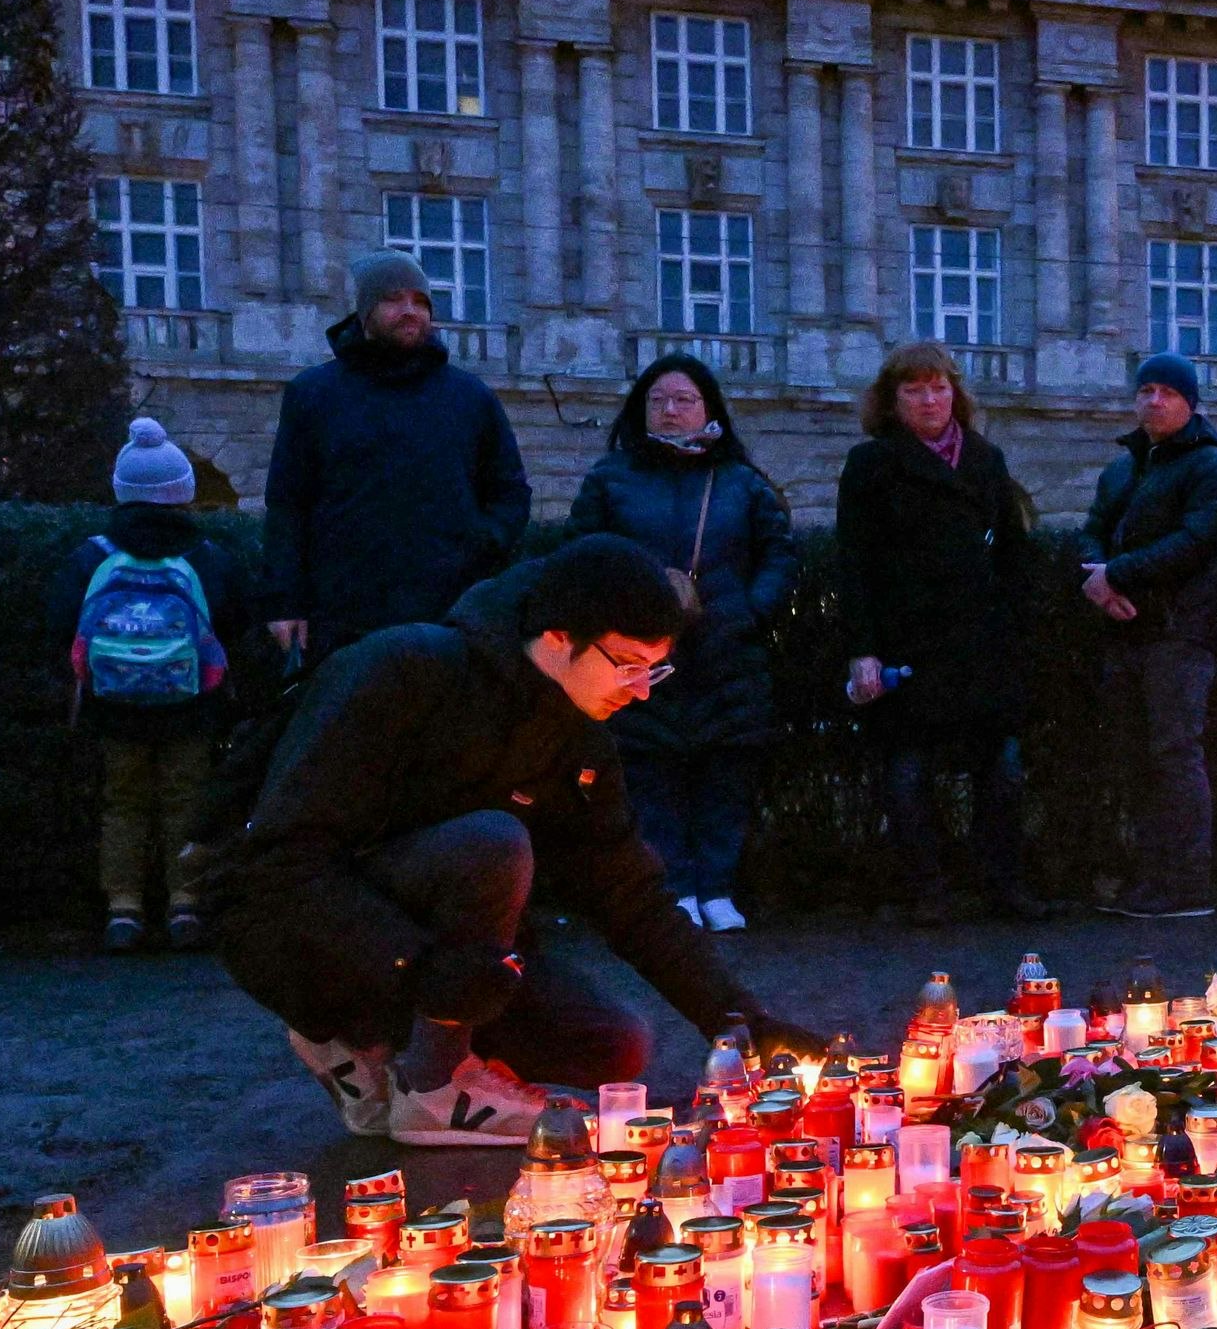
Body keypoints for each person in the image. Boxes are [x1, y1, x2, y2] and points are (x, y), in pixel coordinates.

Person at [196, 534, 826, 1144]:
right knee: (494, 844)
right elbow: (278, 866)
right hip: (294, 927)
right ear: (558, 639)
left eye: (653, 672)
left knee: (615, 1044)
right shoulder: (404, 671)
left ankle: (366, 1050)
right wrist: (415, 966)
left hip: (435, 957)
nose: (639, 691)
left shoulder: (579, 736)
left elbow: (627, 892)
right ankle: (434, 1089)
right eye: (628, 666)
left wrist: (741, 1023)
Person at [570, 356, 795, 932]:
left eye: (683, 399)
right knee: (651, 776)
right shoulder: (610, 478)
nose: (670, 410)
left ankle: (718, 888)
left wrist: (750, 609)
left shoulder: (742, 482)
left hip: (726, 649)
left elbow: (776, 553)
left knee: (724, 773)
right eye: (658, 400)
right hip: (638, 654)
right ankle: (675, 888)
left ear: (709, 407)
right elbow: (582, 555)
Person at [836, 341, 1047, 926]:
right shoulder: (870, 464)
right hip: (908, 642)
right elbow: (853, 562)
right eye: (914, 390)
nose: (930, 400)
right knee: (907, 773)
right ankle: (926, 892)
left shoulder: (985, 459)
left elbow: (1014, 551)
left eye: (939, 387)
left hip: (982, 642)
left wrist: (1014, 625)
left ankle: (1004, 885)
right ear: (891, 400)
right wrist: (863, 650)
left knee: (1000, 771)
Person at [259, 250, 531, 665]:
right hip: (344, 614)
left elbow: (510, 493)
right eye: (394, 299)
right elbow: (287, 504)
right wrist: (286, 601)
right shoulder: (314, 394)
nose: (410, 311)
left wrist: (478, 542)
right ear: (365, 312)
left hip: (449, 611)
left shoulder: (470, 398)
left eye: (420, 302)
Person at [53, 418, 251, 953]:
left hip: (111, 706)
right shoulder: (206, 557)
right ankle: (184, 906)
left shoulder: (92, 556)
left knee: (122, 802)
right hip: (190, 703)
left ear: (122, 490)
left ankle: (124, 910)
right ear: (183, 491)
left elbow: (58, 625)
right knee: (186, 798)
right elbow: (233, 626)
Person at [1082, 355, 1217, 920]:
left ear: (1190, 401)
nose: (1154, 400)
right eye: (1146, 390)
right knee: (1137, 757)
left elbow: (1195, 542)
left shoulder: (1212, 467)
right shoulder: (1123, 468)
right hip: (1128, 630)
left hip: (1181, 631)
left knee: (1175, 754)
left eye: (1167, 392)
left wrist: (1115, 576)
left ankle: (1185, 885)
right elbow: (1091, 536)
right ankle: (1149, 879)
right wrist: (1098, 581)